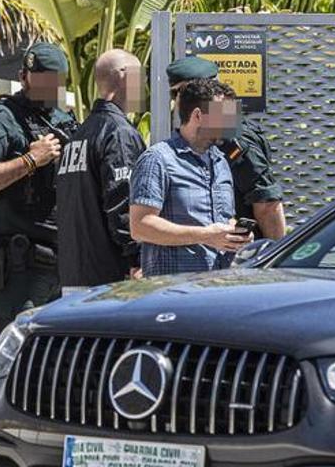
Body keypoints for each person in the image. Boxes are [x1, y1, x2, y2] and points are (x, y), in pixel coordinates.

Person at [0, 42, 78, 353]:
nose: (51, 87)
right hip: (20, 271)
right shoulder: (2, 119)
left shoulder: (65, 119)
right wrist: (29, 161)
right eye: (44, 79)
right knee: (10, 361)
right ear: (24, 77)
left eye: (57, 80)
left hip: (63, 268)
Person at [130, 79, 250, 277]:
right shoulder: (158, 159)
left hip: (219, 287)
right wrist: (207, 236)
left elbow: (221, 218)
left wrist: (235, 234)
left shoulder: (221, 161)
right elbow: (140, 226)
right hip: (174, 292)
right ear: (198, 116)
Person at [166, 57, 286, 240]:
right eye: (174, 94)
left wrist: (273, 257)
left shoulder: (231, 136)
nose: (179, 101)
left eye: (184, 92)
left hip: (241, 249)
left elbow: (267, 204)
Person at [55, 49, 146, 291]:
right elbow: (123, 203)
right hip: (111, 281)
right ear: (125, 76)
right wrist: (136, 259)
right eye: (142, 76)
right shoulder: (118, 133)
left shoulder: (79, 135)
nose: (144, 84)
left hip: (74, 275)